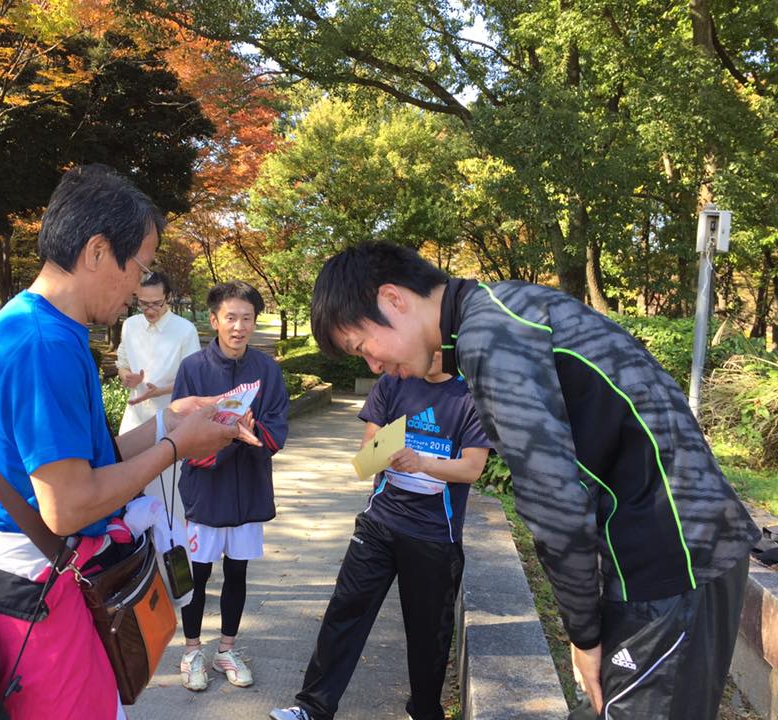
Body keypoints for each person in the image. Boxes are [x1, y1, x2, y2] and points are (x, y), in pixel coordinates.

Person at [308, 241, 759, 720]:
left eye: (363, 348)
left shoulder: (490, 336)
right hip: (669, 548)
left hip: (672, 559)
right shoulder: (505, 310)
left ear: (393, 299)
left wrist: (583, 636)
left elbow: (553, 500)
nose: (373, 366)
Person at [0, 164, 255, 720]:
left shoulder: (28, 324)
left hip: (32, 589)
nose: (139, 289)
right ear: (98, 251)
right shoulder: (44, 343)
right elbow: (68, 504)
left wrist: (171, 422)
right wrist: (174, 449)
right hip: (45, 596)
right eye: (140, 267)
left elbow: (86, 459)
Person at [270, 351, 489, 720]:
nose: (431, 353)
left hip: (435, 535)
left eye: (439, 345)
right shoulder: (394, 383)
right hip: (379, 523)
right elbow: (365, 455)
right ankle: (312, 707)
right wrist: (386, 451)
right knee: (344, 611)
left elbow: (472, 468)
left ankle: (424, 711)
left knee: (428, 634)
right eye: (426, 344)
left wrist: (421, 462)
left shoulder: (471, 397)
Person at [171, 280, 289, 692]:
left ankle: (226, 649)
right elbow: (182, 430)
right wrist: (228, 434)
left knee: (238, 572)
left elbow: (277, 425)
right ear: (214, 320)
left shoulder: (268, 369)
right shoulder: (193, 369)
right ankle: (190, 651)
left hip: (249, 487)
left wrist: (252, 433)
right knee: (198, 575)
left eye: (247, 319)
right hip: (206, 489)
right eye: (231, 318)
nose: (238, 327)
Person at [116, 271, 200, 434]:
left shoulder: (185, 330)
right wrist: (126, 377)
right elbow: (123, 364)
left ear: (167, 297)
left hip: (171, 420)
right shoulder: (130, 325)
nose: (149, 310)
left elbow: (192, 379)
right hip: (134, 420)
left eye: (156, 303)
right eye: (143, 303)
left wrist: (159, 391)